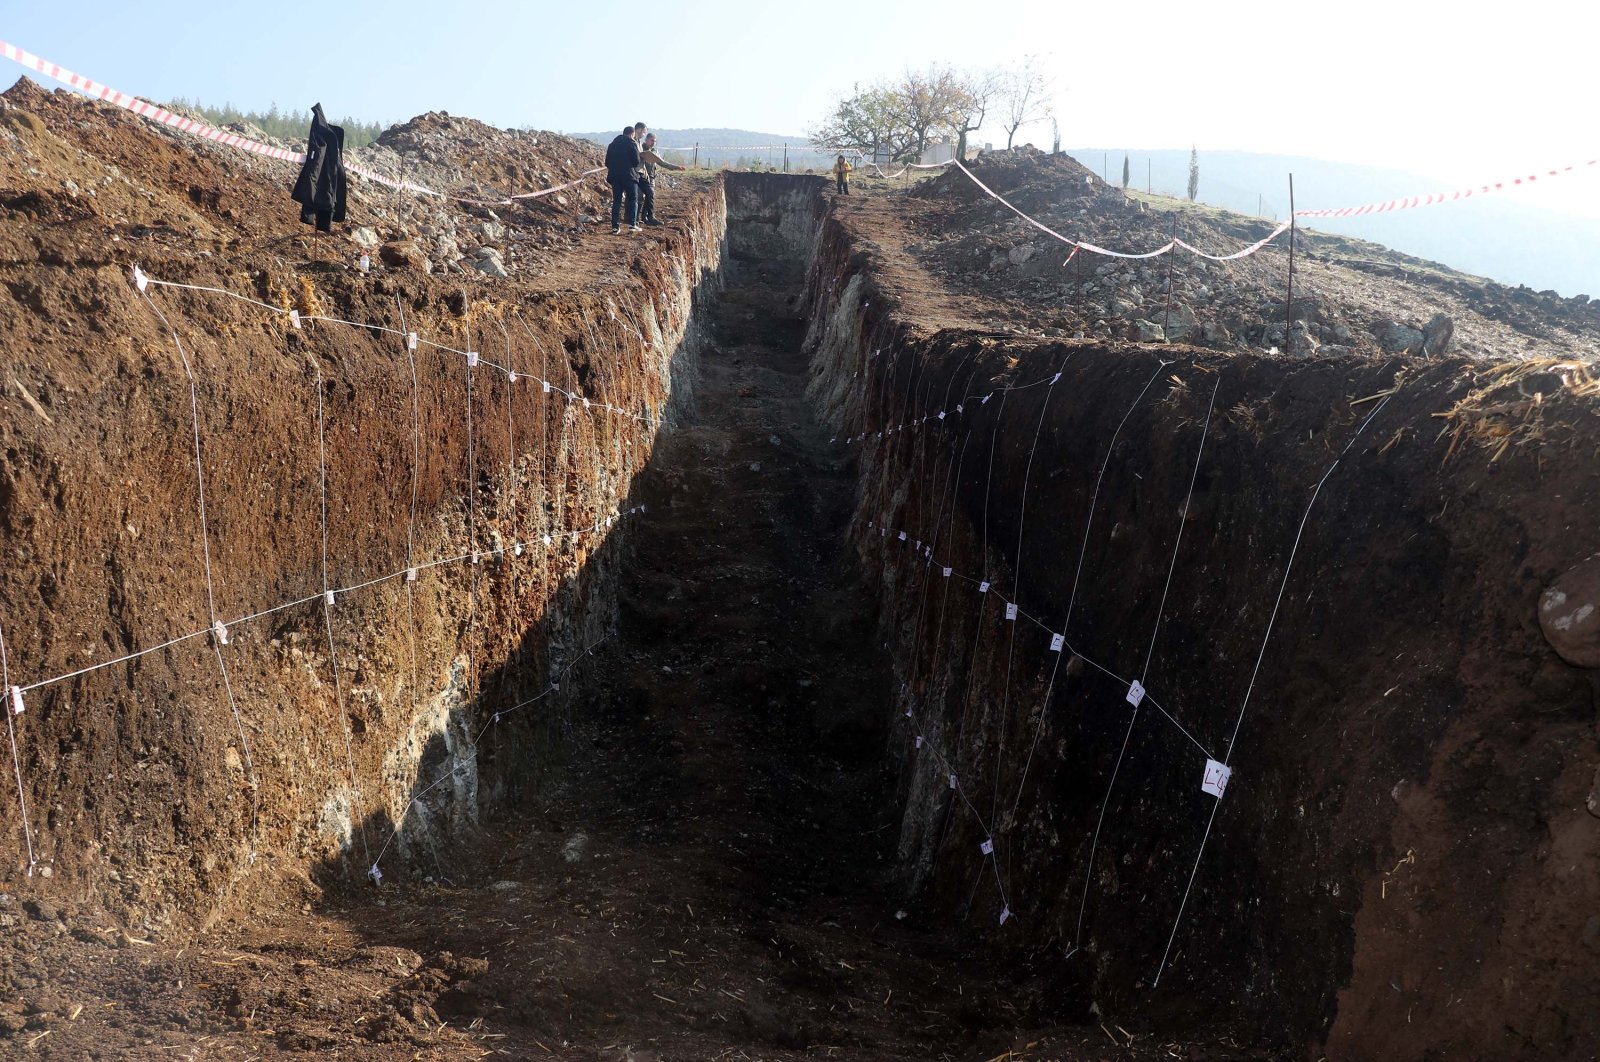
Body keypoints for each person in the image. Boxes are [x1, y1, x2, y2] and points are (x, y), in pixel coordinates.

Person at [636, 132, 685, 226]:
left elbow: (662, 163)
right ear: (646, 140)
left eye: (654, 141)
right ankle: (637, 218)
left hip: (651, 178)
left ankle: (645, 217)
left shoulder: (655, 151)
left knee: (650, 197)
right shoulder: (640, 149)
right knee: (640, 198)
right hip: (641, 177)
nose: (653, 143)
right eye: (651, 141)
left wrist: (676, 167)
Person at [605, 124, 643, 234]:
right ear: (632, 134)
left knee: (616, 201)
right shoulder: (632, 143)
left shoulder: (612, 144)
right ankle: (632, 224)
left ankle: (615, 227)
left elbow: (607, 162)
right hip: (629, 176)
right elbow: (636, 161)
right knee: (632, 200)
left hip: (615, 177)